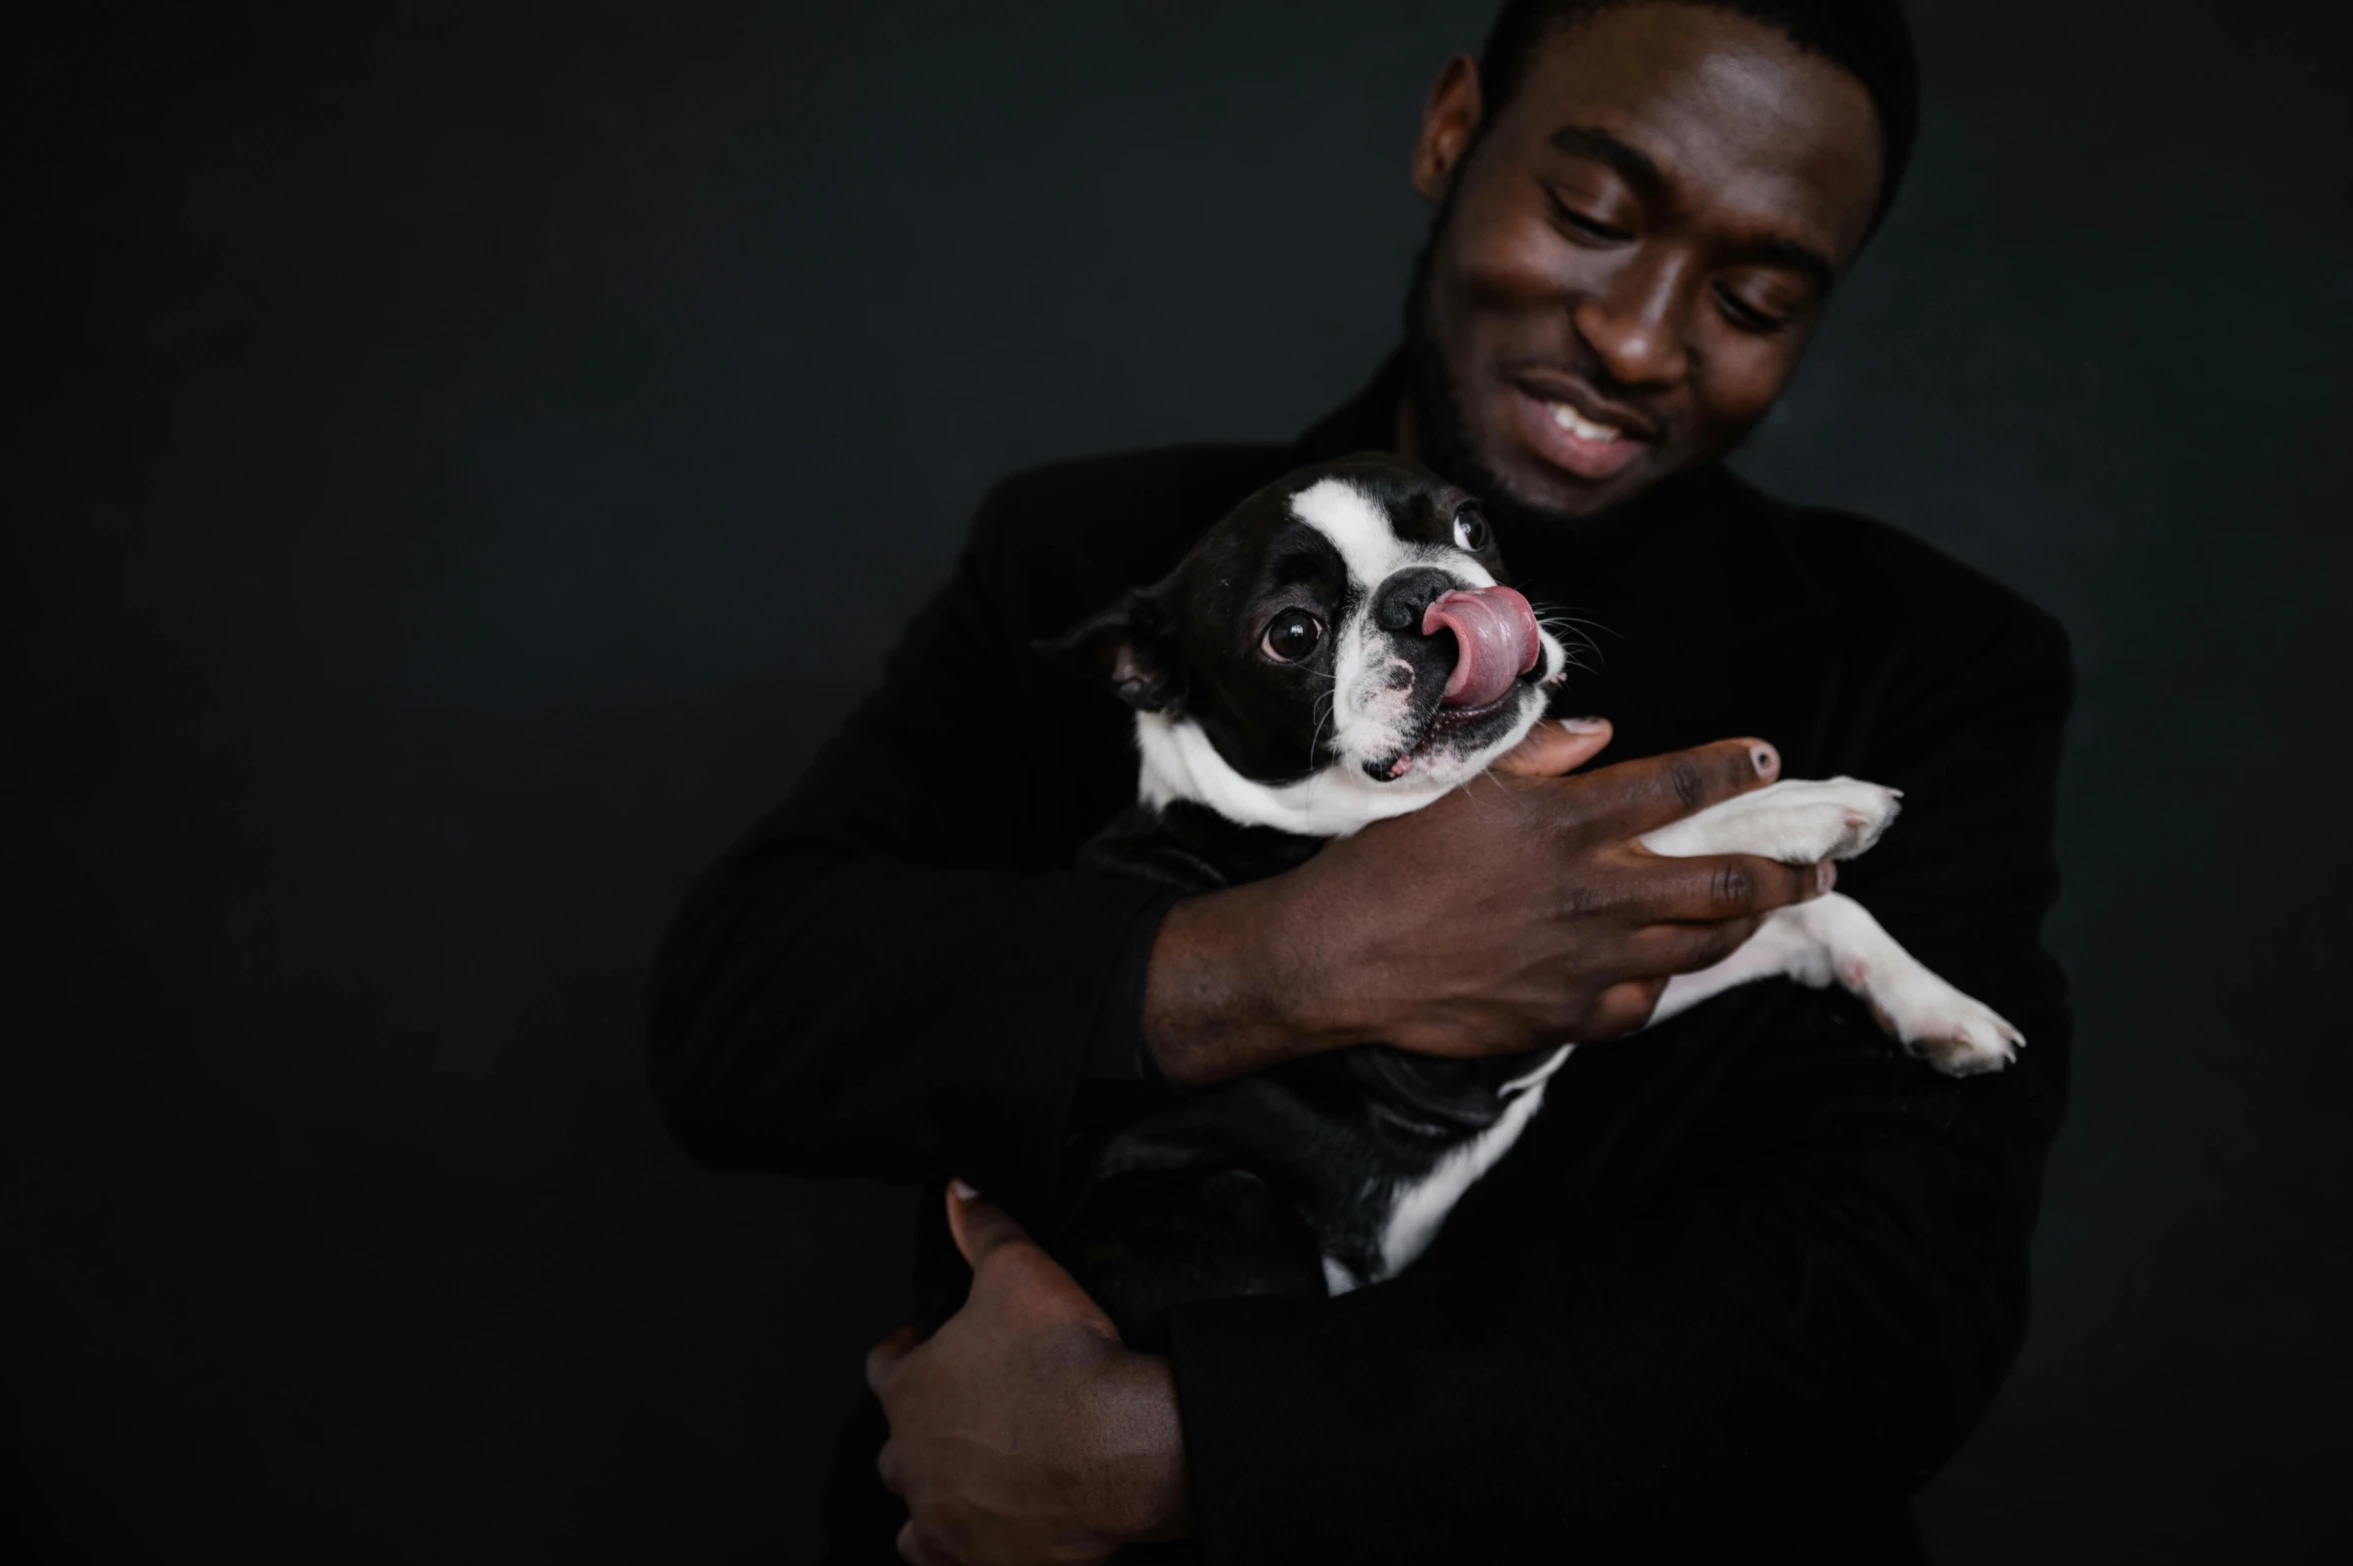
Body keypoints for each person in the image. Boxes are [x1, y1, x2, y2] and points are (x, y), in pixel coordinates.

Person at [646, 1, 2073, 1560]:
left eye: (1756, 292)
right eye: (1592, 215)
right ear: (1452, 131)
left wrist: (1185, 1444)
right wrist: (1282, 958)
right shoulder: (1087, 561)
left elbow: (1894, 1306)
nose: (1643, 335)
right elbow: (743, 1009)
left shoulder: (1931, 664)